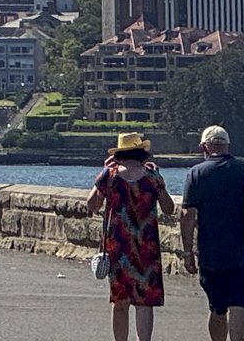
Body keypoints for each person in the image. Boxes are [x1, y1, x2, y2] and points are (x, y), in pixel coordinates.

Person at [181, 125, 244, 341]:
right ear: (228, 146)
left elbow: (187, 215)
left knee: (217, 307)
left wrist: (187, 252)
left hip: (211, 253)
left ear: (205, 147)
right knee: (239, 305)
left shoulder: (197, 173)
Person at [87, 132, 174, 341]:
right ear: (142, 153)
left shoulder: (110, 175)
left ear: (119, 154)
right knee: (144, 303)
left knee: (120, 302)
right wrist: (159, 183)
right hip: (147, 246)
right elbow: (169, 208)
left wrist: (103, 173)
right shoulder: (152, 176)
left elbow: (92, 206)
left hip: (118, 246)